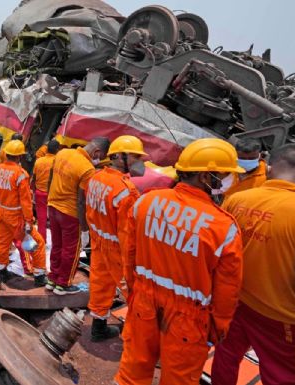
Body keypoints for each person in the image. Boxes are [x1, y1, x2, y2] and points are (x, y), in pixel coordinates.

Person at [116, 138, 245, 385]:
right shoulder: (224, 227)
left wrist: (135, 291)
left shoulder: (146, 201)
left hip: (143, 302)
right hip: (189, 319)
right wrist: (217, 330)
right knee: (179, 380)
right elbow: (227, 290)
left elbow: (129, 254)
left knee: (132, 372)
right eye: (225, 174)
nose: (229, 180)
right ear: (207, 177)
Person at [211, 143, 295, 385]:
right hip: (283, 317)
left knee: (226, 355)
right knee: (286, 376)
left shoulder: (236, 199)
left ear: (269, 167)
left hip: (236, 301)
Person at [86, 135, 146, 341]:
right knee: (134, 291)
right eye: (137, 157)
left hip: (98, 240)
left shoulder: (96, 178)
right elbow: (127, 234)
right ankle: (136, 339)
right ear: (120, 157)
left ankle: (98, 327)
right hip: (116, 248)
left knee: (100, 283)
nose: (141, 162)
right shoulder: (126, 191)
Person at [45, 137, 109, 295]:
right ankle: (63, 284)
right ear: (96, 152)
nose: (98, 160)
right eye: (100, 157)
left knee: (57, 245)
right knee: (71, 250)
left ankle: (52, 279)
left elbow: (50, 178)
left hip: (53, 207)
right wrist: (85, 229)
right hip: (70, 213)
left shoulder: (63, 153)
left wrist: (49, 199)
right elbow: (81, 201)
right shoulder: (87, 169)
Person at [0, 140, 47, 285]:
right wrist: (29, 221)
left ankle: (2, 271)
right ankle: (39, 276)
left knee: (3, 243)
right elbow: (26, 201)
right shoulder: (21, 174)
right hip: (15, 217)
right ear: (19, 156)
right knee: (38, 243)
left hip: (0, 212)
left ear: (6, 154)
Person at [31, 139, 59, 242]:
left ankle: (42, 240)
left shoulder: (39, 161)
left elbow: (34, 178)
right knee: (55, 220)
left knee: (41, 219)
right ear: (57, 150)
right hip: (53, 194)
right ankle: (56, 242)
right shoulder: (57, 161)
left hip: (40, 193)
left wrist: (33, 193)